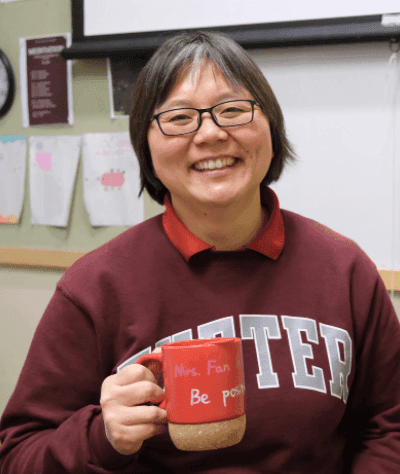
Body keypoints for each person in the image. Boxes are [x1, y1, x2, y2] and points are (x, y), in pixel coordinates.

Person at [1, 31, 400, 474]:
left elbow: (389, 426)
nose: (210, 133)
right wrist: (102, 437)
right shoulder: (94, 288)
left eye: (232, 110)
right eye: (178, 117)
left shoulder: (344, 270)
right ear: (146, 147)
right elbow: (17, 454)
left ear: (271, 128)